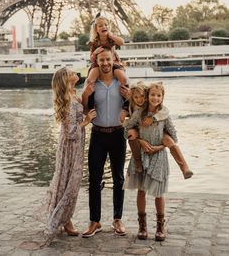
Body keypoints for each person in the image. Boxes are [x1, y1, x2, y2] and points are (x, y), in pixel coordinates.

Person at [123, 82, 191, 241]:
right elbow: (127, 130)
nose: (155, 98)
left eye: (158, 95)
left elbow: (174, 137)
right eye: (152, 95)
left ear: (162, 97)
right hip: (141, 154)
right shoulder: (139, 113)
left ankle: (160, 227)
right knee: (141, 190)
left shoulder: (164, 115)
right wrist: (140, 141)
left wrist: (159, 147)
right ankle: (142, 226)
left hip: (158, 155)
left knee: (159, 193)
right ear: (148, 96)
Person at [36, 67, 96, 246]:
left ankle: (63, 218)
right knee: (69, 183)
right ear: (66, 80)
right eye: (71, 72)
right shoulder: (69, 99)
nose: (75, 73)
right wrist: (87, 120)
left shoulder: (73, 94)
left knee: (67, 181)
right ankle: (65, 220)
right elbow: (71, 132)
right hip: (71, 147)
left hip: (74, 146)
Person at [82, 47, 128, 238]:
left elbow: (135, 102)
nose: (105, 63)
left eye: (108, 60)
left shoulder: (122, 82)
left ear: (113, 59)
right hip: (98, 135)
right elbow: (84, 109)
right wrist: (86, 95)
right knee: (94, 179)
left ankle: (117, 219)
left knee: (119, 179)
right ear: (97, 62)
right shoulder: (92, 83)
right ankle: (95, 221)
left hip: (118, 134)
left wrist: (128, 104)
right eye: (102, 60)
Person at [126, 81, 193, 179]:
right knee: (131, 133)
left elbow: (165, 112)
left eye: (142, 96)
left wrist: (153, 119)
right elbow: (128, 127)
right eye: (136, 97)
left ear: (145, 95)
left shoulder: (161, 109)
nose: (140, 99)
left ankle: (184, 167)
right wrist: (139, 140)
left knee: (169, 140)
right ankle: (138, 162)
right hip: (140, 133)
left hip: (158, 135)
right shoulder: (135, 109)